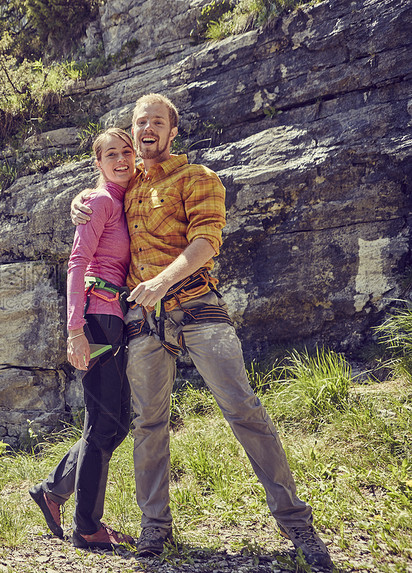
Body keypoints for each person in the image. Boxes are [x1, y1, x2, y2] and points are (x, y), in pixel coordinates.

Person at [70, 94, 333, 569]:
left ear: (173, 131)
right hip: (143, 321)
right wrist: (81, 200)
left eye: (156, 122)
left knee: (243, 409)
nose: (146, 129)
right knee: (149, 423)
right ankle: (155, 529)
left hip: (197, 305)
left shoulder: (199, 178)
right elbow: (99, 197)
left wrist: (162, 281)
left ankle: (297, 524)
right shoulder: (127, 187)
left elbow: (206, 241)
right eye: (138, 123)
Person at [29, 128, 136, 551]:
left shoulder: (123, 200)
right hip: (96, 320)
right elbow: (77, 264)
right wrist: (74, 331)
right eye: (111, 154)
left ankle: (54, 491)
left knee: (116, 421)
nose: (122, 159)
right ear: (98, 163)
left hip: (115, 321)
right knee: (102, 424)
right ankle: (87, 526)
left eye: (127, 151)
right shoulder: (100, 201)